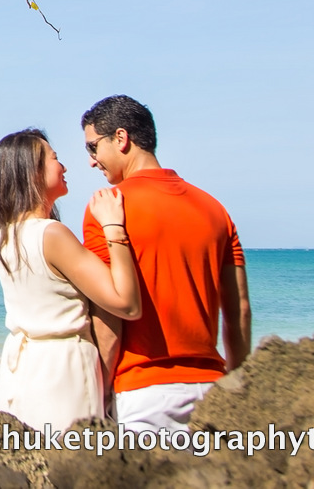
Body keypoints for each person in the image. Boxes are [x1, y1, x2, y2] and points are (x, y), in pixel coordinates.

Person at [79, 95, 251, 433]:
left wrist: (103, 390)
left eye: (93, 148)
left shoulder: (108, 208)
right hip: (212, 390)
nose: (92, 161)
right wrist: (236, 385)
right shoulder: (215, 209)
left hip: (143, 391)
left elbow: (109, 316)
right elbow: (240, 310)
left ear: (121, 138)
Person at [0, 129, 142, 431]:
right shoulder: (52, 234)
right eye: (55, 159)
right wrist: (113, 227)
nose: (64, 167)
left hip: (21, 371)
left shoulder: (4, 236)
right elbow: (126, 303)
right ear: (33, 172)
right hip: (63, 369)